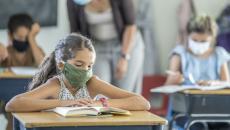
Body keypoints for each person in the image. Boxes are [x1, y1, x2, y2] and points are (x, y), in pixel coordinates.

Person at [5, 33, 150, 112]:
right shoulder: (55, 85)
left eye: (90, 66)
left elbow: (142, 103)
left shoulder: (92, 83)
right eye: (79, 64)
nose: (86, 71)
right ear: (62, 65)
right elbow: (13, 104)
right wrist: (64, 103)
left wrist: (100, 103)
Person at [165, 14, 230, 130]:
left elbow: (227, 84)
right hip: (186, 111)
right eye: (195, 40)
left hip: (215, 112)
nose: (199, 44)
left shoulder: (219, 54)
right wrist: (174, 81)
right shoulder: (179, 54)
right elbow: (166, 88)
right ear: (188, 36)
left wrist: (213, 83)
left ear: (212, 38)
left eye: (203, 41)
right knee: (196, 126)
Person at [67, 0, 144, 94]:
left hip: (127, 44)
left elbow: (130, 25)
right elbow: (75, 32)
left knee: (124, 92)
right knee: (100, 91)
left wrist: (124, 57)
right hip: (97, 47)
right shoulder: (74, 2)